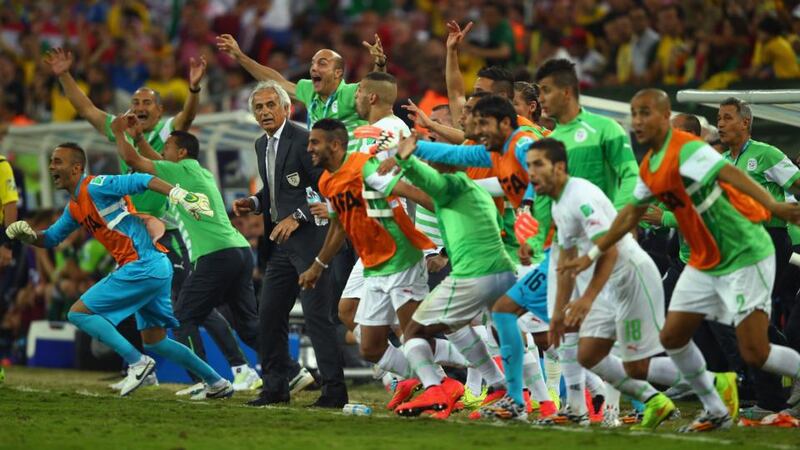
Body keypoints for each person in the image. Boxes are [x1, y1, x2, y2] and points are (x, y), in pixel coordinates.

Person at [560, 89, 800, 432]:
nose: (638, 122)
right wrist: (593, 254)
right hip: (703, 260)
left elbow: (733, 177)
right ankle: (716, 406)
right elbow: (631, 214)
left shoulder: (689, 149)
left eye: (646, 114)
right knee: (672, 337)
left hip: (744, 251)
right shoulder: (651, 165)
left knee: (755, 351)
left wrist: (774, 206)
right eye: (634, 114)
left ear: (663, 117)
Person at [43, 47, 250, 390]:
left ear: (159, 110)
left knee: (190, 305)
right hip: (136, 229)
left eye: (146, 104)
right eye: (135, 103)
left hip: (167, 230)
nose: (138, 109)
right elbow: (85, 108)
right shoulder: (121, 128)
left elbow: (187, 118)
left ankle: (237, 368)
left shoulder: (168, 133)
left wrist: (195, 89)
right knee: (161, 317)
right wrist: (64, 74)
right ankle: (171, 373)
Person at [5, 143, 233, 399]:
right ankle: (217, 381)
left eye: (58, 161)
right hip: (154, 266)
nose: (51, 167)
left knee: (78, 313)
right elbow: (51, 239)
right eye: (51, 161)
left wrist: (180, 195)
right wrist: (27, 236)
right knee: (155, 340)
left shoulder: (96, 186)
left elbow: (142, 179)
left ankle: (138, 364)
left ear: (77, 167)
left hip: (141, 264)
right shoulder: (74, 206)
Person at [496, 138, 678, 428]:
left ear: (559, 167)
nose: (531, 173)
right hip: (609, 281)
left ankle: (712, 383)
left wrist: (587, 299)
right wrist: (558, 313)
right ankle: (637, 402)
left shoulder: (580, 198)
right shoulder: (559, 204)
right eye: (528, 166)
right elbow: (565, 264)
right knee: (590, 354)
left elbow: (610, 249)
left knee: (634, 363)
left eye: (538, 165)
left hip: (632, 278)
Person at [299, 119, 472, 414]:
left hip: (401, 257)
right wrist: (318, 265)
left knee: (415, 334)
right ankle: (440, 383)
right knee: (371, 348)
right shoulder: (327, 180)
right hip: (373, 266)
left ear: (336, 144)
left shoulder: (364, 168)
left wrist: (458, 216)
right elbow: (340, 225)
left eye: (315, 142)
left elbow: (410, 192)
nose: (309, 148)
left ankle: (470, 370)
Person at [111, 115, 262, 391]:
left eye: (167, 146)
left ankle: (208, 380)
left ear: (180, 153)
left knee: (184, 315)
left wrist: (120, 134)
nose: (162, 151)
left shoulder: (179, 171)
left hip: (215, 253)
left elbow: (134, 161)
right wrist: (141, 138)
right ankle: (285, 370)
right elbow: (154, 157)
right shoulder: (195, 170)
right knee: (244, 324)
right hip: (237, 250)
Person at [386, 132, 517, 420]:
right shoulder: (475, 190)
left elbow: (415, 181)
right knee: (479, 328)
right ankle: (508, 392)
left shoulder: (450, 186)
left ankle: (437, 389)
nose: (430, 165)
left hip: (474, 275)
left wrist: (400, 158)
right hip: (500, 270)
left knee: (413, 331)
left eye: (434, 161)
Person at [232, 81, 347, 408]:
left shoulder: (305, 140)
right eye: (259, 107)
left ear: (287, 108)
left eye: (271, 105)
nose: (265, 112)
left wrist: (297, 216)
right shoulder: (260, 144)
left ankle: (334, 392)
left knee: (316, 318)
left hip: (311, 241)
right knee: (268, 314)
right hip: (280, 245)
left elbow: (324, 187)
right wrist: (254, 203)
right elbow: (276, 191)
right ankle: (275, 387)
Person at [216, 34, 385, 153]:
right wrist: (240, 56)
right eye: (313, 64)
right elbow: (277, 81)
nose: (314, 68)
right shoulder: (309, 89)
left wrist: (379, 63)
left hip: (354, 175)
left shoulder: (349, 92)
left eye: (322, 63)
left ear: (338, 73)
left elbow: (374, 91)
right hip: (325, 177)